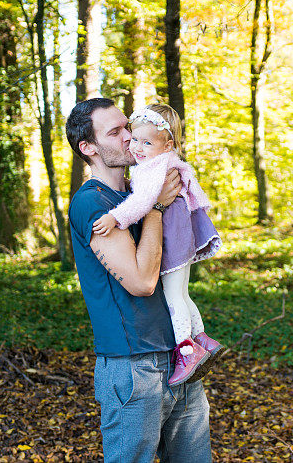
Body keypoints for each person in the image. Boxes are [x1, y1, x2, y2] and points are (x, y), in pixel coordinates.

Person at [66, 98, 212, 463]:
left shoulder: (138, 189)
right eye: (115, 133)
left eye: (127, 126)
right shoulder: (92, 204)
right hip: (134, 366)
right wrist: (157, 208)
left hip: (179, 357)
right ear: (89, 148)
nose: (129, 137)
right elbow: (142, 282)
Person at [92, 103, 224, 386]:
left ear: (167, 145)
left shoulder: (153, 168)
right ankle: (203, 339)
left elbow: (142, 202)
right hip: (181, 233)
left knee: (173, 296)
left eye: (147, 142)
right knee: (182, 292)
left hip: (172, 236)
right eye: (135, 139)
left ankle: (187, 351)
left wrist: (115, 217)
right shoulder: (165, 161)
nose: (137, 147)